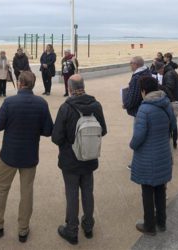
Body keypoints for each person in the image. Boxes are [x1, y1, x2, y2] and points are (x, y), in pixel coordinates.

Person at [0, 71, 53, 243]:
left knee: (1, 189)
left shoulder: (9, 102)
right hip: (29, 155)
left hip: (9, 154)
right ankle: (23, 229)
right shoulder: (41, 103)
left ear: (20, 83)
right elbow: (48, 131)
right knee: (27, 191)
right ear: (32, 84)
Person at [51, 74, 107, 245]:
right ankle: (88, 226)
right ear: (83, 86)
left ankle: (72, 229)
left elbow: (56, 137)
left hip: (70, 159)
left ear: (69, 88)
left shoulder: (65, 108)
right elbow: (103, 130)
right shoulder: (96, 105)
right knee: (88, 192)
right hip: (89, 158)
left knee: (72, 193)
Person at [130, 76, 176, 236]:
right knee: (160, 190)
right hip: (163, 153)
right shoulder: (165, 103)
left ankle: (149, 225)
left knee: (148, 191)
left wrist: (132, 145)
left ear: (143, 91)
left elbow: (138, 137)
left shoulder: (145, 109)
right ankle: (161, 222)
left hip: (148, 158)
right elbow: (173, 126)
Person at [155, 61, 178, 149]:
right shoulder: (170, 71)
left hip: (172, 101)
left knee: (172, 122)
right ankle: (174, 140)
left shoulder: (168, 74)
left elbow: (169, 88)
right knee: (172, 122)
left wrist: (158, 85)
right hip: (174, 100)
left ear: (161, 68)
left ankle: (174, 140)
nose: (159, 74)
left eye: (159, 72)